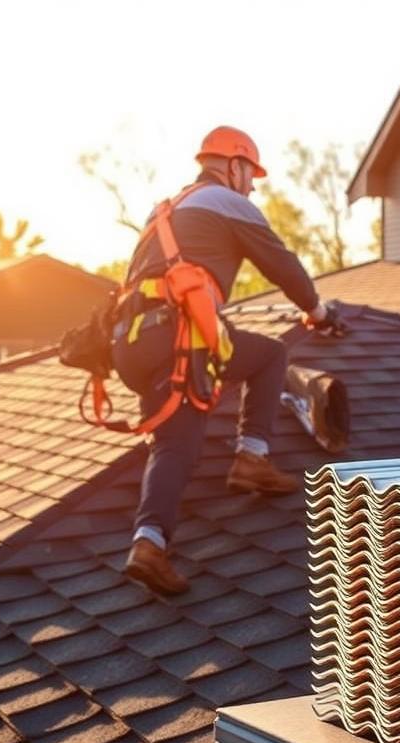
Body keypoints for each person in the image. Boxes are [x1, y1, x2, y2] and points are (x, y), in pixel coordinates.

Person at [116, 125, 344, 595]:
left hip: (131, 341)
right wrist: (318, 313)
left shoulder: (165, 209)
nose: (253, 185)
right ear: (234, 165)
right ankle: (250, 460)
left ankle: (151, 541)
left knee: (174, 440)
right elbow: (283, 265)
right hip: (178, 337)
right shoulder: (227, 203)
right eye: (251, 173)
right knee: (271, 355)